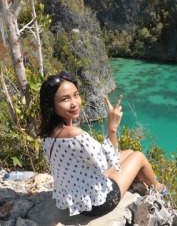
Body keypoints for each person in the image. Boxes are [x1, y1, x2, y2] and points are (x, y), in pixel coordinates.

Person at [39, 71, 168, 217]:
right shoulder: (74, 134)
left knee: (129, 153)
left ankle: (146, 181)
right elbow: (107, 162)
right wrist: (112, 127)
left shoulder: (47, 133)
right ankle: (159, 188)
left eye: (75, 95)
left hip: (72, 198)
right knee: (138, 156)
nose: (74, 103)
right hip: (97, 204)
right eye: (65, 99)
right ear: (52, 105)